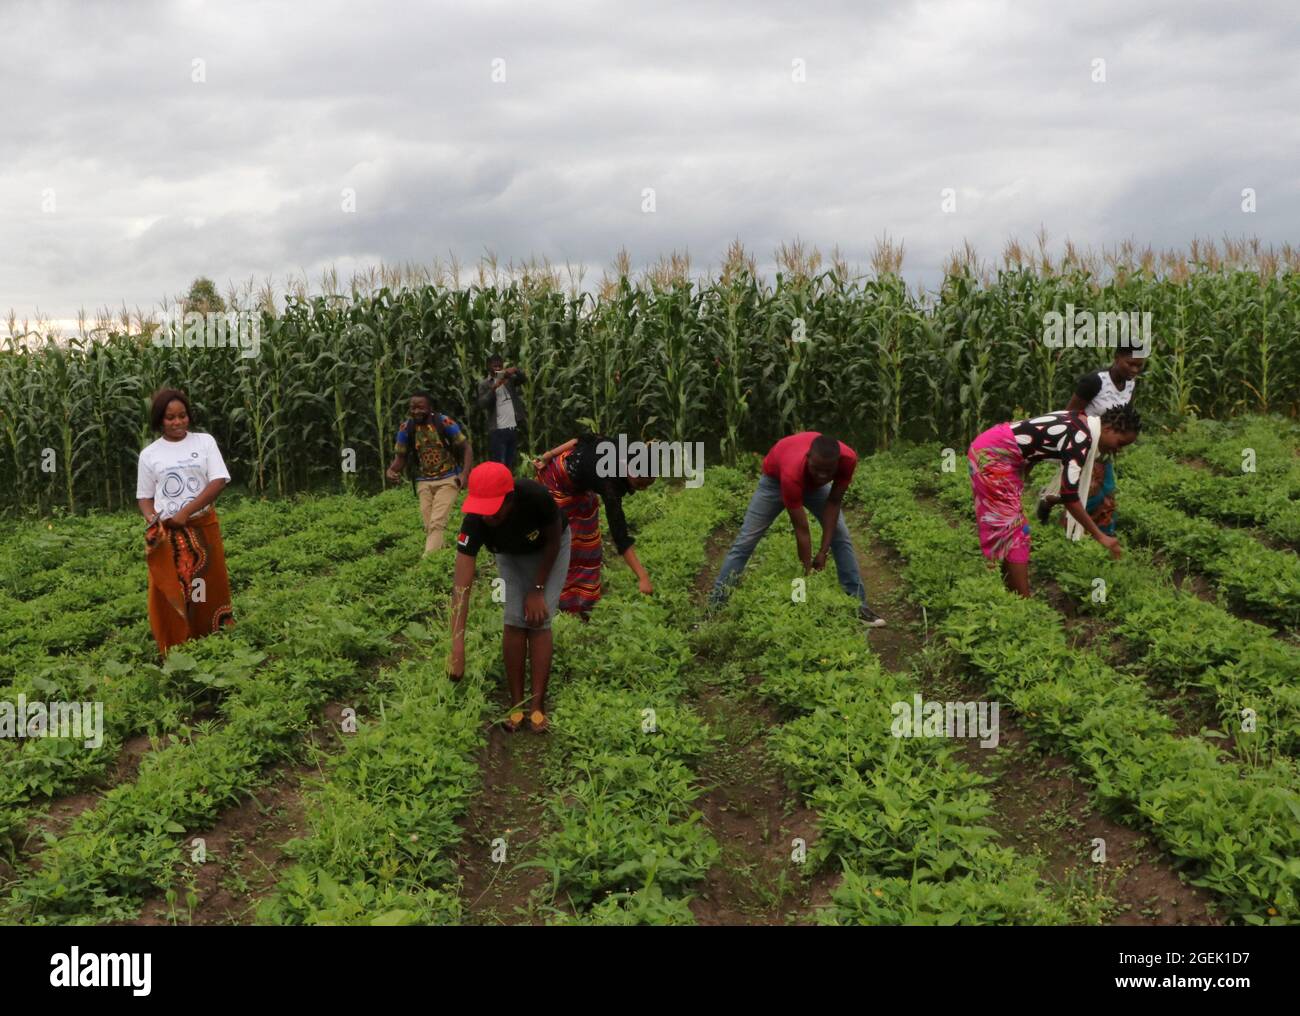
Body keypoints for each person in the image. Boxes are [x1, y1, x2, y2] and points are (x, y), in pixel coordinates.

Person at [710, 432, 884, 626]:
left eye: (828, 471)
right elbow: (802, 529)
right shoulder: (792, 473)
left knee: (841, 536)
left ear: (837, 463)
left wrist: (823, 552)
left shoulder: (848, 460)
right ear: (808, 458)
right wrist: (807, 570)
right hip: (775, 481)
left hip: (811, 486)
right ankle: (715, 608)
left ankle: (858, 606)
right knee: (746, 542)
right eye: (817, 469)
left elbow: (833, 503)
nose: (822, 476)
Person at [968, 403, 1141, 597]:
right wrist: (1101, 537)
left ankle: (1010, 594)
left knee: (1013, 529)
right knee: (1016, 533)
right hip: (994, 455)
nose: (1118, 451)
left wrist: (1020, 479)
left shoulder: (1080, 421)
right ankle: (1020, 603)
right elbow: (1070, 497)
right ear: (1108, 429)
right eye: (1120, 444)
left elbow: (1033, 438)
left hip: (994, 448)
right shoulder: (1081, 438)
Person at [448, 462, 571, 733]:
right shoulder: (475, 522)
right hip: (511, 555)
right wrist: (457, 647)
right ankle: (517, 704)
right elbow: (461, 587)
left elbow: (553, 540)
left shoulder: (535, 497)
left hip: (551, 548)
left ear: (510, 499)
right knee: (515, 619)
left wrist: (538, 590)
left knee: (539, 619)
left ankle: (537, 705)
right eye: (482, 510)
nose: (487, 517)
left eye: (493, 509)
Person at [136, 388, 234, 656]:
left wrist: (185, 513)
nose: (177, 422)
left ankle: (211, 638)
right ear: (159, 420)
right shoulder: (150, 454)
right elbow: (144, 497)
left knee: (205, 584)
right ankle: (176, 644)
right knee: (172, 587)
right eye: (170, 418)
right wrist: (152, 518)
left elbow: (218, 481)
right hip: (169, 535)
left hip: (202, 527)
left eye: (182, 416)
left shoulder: (204, 442)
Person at [532, 434, 654, 616]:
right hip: (557, 482)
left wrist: (548, 454)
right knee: (567, 545)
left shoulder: (623, 451)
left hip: (580, 487)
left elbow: (579, 440)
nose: (641, 489)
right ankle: (559, 601)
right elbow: (619, 533)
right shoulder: (610, 483)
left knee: (590, 543)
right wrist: (642, 576)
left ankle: (584, 600)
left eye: (647, 485)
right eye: (638, 484)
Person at [1037, 341, 1147, 532]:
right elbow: (1069, 415)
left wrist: (1117, 444)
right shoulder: (1095, 382)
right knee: (1090, 491)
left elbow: (1123, 417)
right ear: (1117, 358)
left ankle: (1052, 502)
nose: (1135, 369)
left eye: (1139, 365)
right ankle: (1067, 533)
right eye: (1130, 363)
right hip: (1082, 443)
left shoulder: (1130, 383)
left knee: (1104, 492)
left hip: (1104, 447)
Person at [385, 391, 473, 554]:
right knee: (429, 524)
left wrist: (464, 474)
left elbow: (466, 447)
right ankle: (441, 551)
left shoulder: (444, 422)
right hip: (423, 480)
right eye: (413, 408)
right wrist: (391, 470)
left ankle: (428, 560)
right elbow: (401, 457)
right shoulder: (406, 428)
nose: (416, 411)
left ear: (430, 408)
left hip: (448, 478)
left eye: (420, 407)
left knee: (437, 522)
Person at [476, 354, 526, 470]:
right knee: (499, 465)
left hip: (512, 428)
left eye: (500, 365)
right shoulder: (484, 384)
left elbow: (523, 379)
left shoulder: (509, 380)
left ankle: (509, 486)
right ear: (488, 367)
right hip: (497, 431)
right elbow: (482, 403)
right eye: (495, 366)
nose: (498, 368)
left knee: (510, 464)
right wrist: (494, 388)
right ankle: (499, 487)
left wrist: (516, 370)